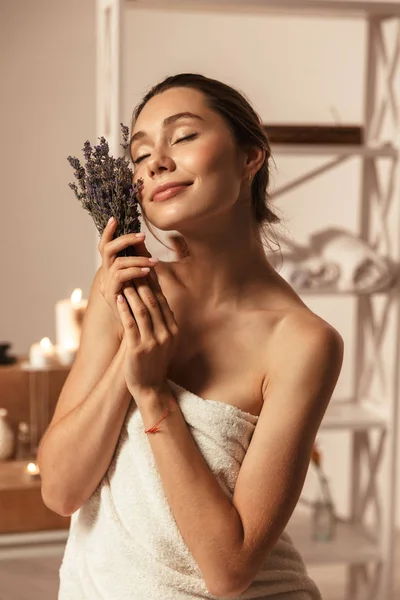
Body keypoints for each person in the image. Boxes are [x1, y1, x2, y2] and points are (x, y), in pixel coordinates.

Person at [38, 73, 343, 599]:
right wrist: (131, 356)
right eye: (139, 155)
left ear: (252, 156)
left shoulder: (303, 342)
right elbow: (61, 490)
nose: (155, 162)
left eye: (182, 137)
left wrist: (154, 394)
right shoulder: (125, 289)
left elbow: (230, 572)